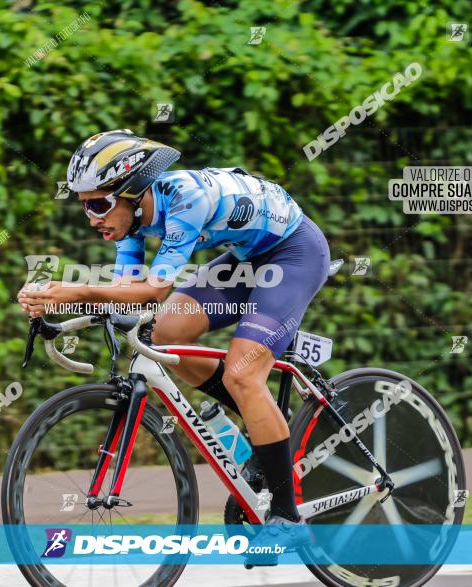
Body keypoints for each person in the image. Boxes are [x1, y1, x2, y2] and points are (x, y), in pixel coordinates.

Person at [18, 129, 330, 543]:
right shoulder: (126, 223)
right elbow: (127, 295)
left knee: (241, 374)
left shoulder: (186, 200)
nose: (92, 218)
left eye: (98, 204)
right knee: (163, 335)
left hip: (294, 254)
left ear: (131, 192)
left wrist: (72, 291)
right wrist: (60, 312)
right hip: (246, 259)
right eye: (85, 207)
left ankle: (288, 520)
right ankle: (266, 425)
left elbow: (153, 290)